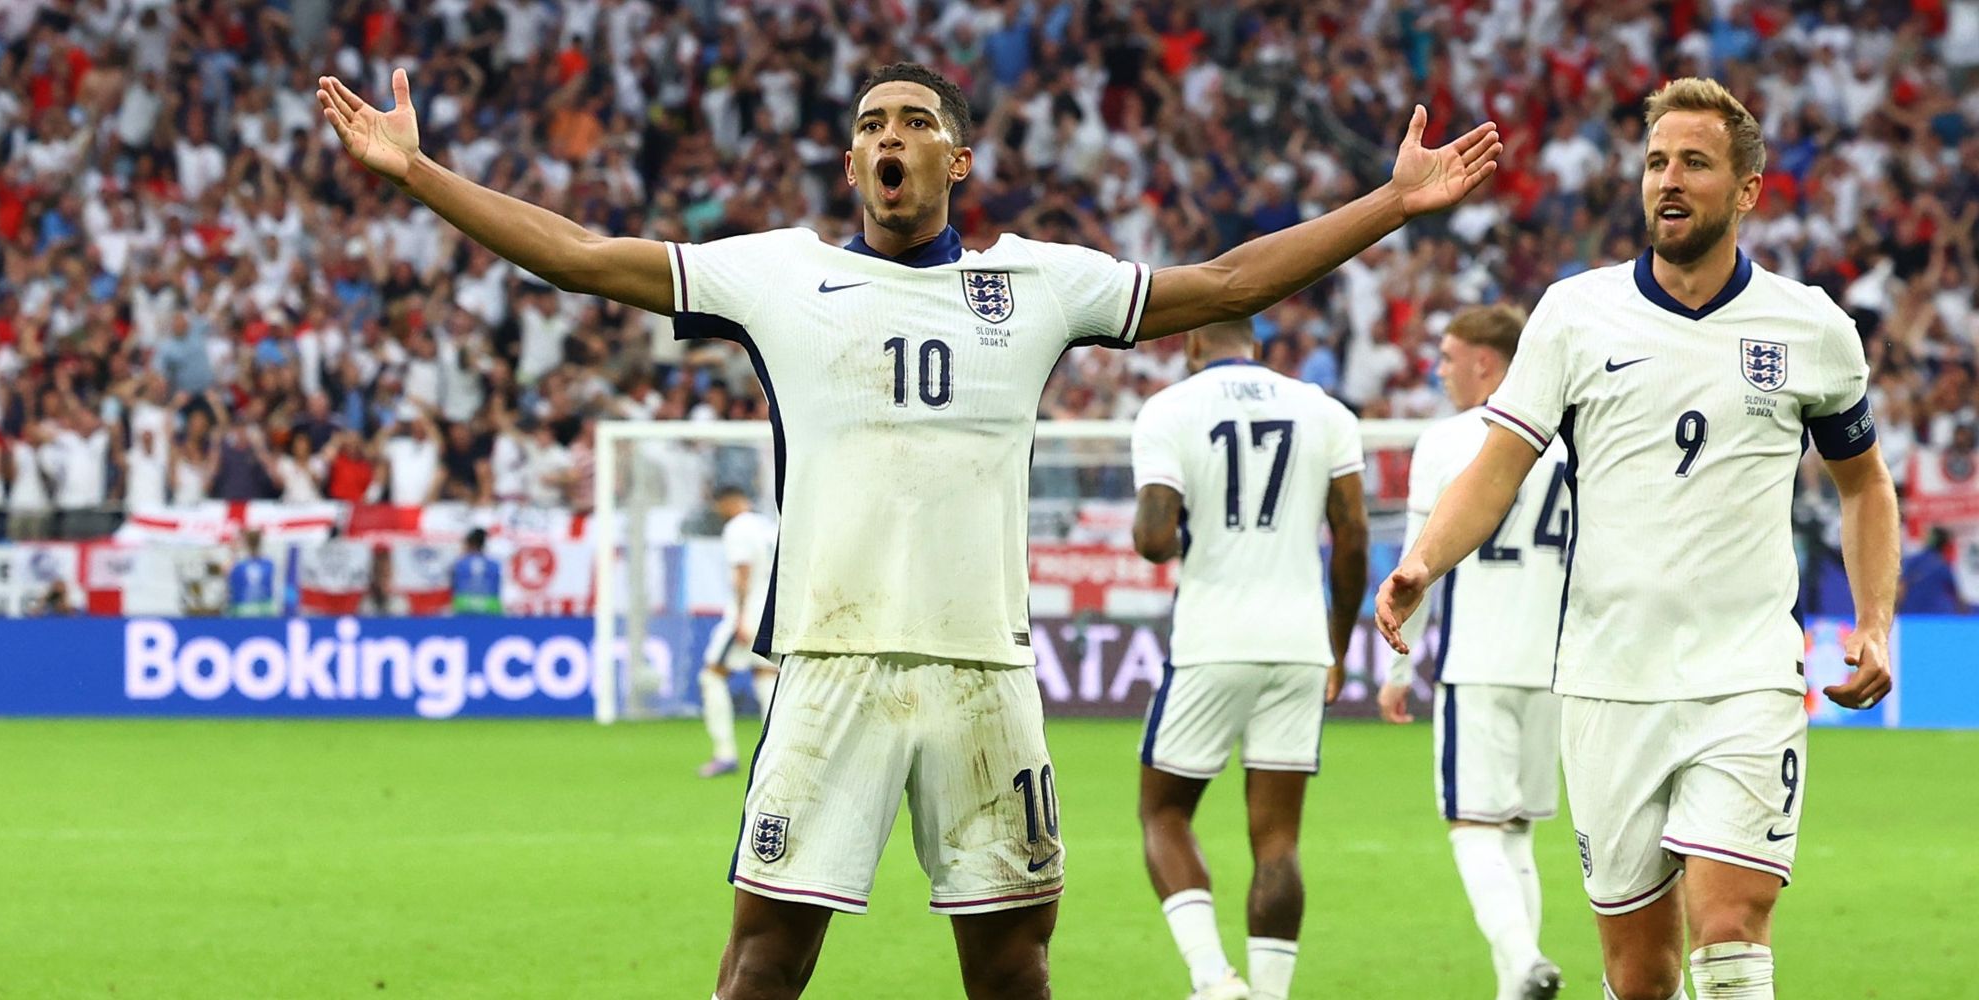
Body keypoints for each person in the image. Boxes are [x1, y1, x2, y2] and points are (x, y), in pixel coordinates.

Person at [319, 61, 1499, 1000]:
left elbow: (1232, 282)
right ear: (851, 162)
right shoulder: (774, 276)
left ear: (955, 157)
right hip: (829, 670)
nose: (890, 136)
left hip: (985, 675)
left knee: (1011, 969)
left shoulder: (1036, 284)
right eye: (872, 123)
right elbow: (579, 258)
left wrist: (1393, 202)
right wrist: (417, 172)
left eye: (913, 120)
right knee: (763, 966)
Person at [1375, 79, 1896, 1000]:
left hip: (1747, 676)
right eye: (1657, 161)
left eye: (1695, 162)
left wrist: (1874, 619)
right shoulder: (1575, 315)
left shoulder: (1811, 326)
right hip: (1607, 682)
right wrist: (1424, 560)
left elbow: (1864, 482)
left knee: (1732, 932)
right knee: (1639, 973)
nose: (1669, 179)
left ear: (1747, 191)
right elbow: (1498, 465)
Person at [1127, 319, 1368, 1000]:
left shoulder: (1170, 410)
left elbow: (1152, 536)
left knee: (1164, 813)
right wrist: (1338, 644)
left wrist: (1187, 534)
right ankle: (1268, 994)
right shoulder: (1323, 410)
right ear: (1257, 344)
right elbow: (1351, 538)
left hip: (1213, 638)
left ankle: (1212, 977)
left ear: (1193, 344)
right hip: (1298, 643)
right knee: (1278, 840)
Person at [1378, 305, 1570, 1000]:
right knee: (1515, 832)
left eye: (1449, 355)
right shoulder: (1569, 442)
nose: (1439, 367)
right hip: (1553, 665)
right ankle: (1515, 984)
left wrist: (1399, 669)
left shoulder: (1450, 440)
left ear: (1487, 363)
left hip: (1476, 658)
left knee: (1471, 825)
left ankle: (1522, 961)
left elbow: (1416, 564)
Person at [697, 484, 781, 778]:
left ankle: (725, 753)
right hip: (772, 613)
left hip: (747, 613)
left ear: (727, 502)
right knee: (766, 678)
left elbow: (742, 573)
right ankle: (777, 754)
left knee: (711, 675)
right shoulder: (768, 526)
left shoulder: (737, 528)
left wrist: (742, 616)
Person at [450, 527, 503, 615]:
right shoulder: (495, 565)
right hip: (490, 608)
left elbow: (454, 587)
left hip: (464, 607)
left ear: (470, 544)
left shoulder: (459, 564)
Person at [226, 529, 277, 618]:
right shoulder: (269, 564)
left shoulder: (239, 566)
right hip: (265, 611)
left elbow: (227, 576)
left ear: (245, 544)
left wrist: (233, 553)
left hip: (243, 611)